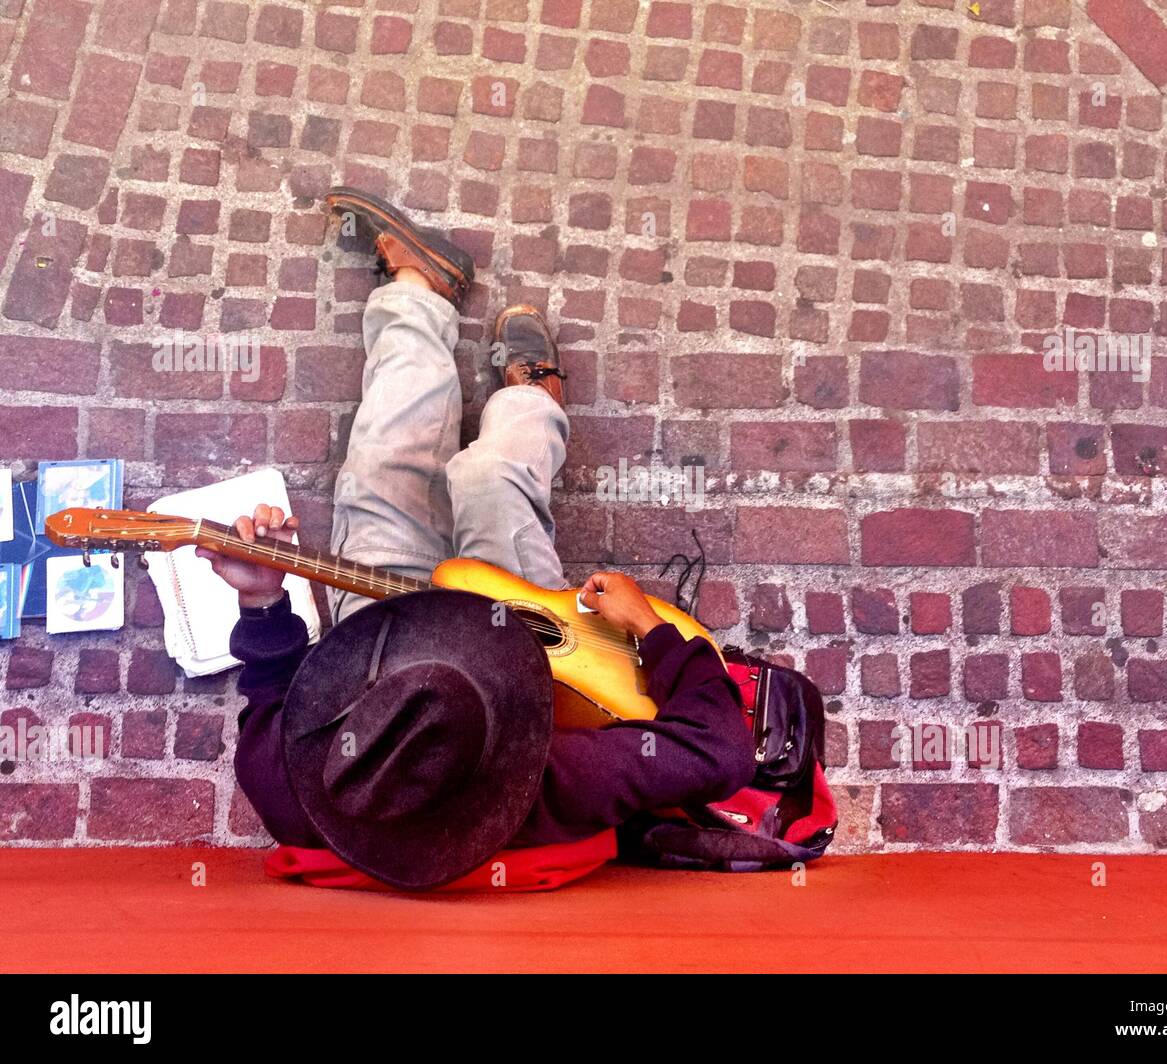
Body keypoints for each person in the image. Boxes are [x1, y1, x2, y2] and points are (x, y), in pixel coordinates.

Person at [201, 189, 755, 880]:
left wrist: (261, 600)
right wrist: (651, 628)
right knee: (491, 477)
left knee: (380, 464)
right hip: (519, 645)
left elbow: (269, 692)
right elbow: (720, 751)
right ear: (510, 748)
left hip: (378, 631)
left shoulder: (300, 790)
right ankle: (532, 401)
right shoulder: (548, 784)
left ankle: (419, 294)